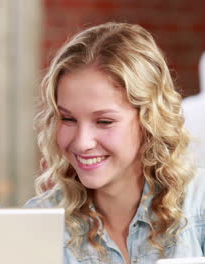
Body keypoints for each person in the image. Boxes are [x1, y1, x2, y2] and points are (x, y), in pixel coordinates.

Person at [26, 22, 204, 263]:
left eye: (104, 121)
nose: (82, 142)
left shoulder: (198, 205)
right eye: (67, 119)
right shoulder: (37, 222)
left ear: (149, 119)